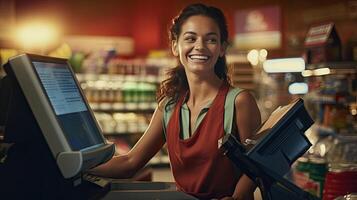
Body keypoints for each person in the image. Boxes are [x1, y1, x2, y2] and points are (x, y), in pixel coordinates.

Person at [91, 3, 261, 200]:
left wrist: (237, 197)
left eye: (211, 39)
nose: (200, 46)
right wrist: (78, 169)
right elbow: (130, 162)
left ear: (222, 48)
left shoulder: (240, 102)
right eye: (190, 38)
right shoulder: (168, 107)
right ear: (175, 46)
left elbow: (256, 166)